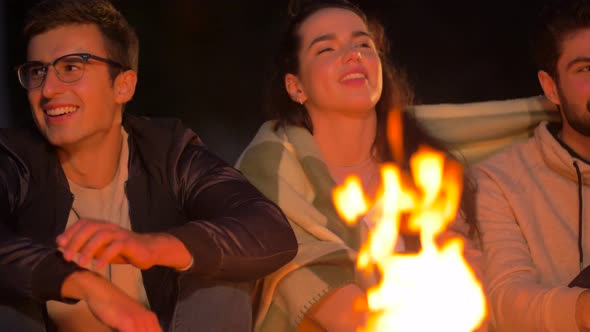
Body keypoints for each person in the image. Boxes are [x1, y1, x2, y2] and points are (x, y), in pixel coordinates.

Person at [0, 0, 298, 331]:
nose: (48, 89)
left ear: (123, 85)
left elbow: (270, 230)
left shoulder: (167, 153)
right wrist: (89, 286)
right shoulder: (14, 158)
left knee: (220, 278)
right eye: (37, 71)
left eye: (71, 67)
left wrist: (152, 247)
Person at [236, 1, 480, 331]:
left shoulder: (425, 169)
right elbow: (312, 285)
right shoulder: (271, 168)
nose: (353, 54)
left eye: (363, 43)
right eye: (326, 49)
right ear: (296, 87)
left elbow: (469, 283)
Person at [473, 0, 590, 330]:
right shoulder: (499, 181)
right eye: (586, 69)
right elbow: (505, 303)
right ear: (551, 86)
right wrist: (583, 308)